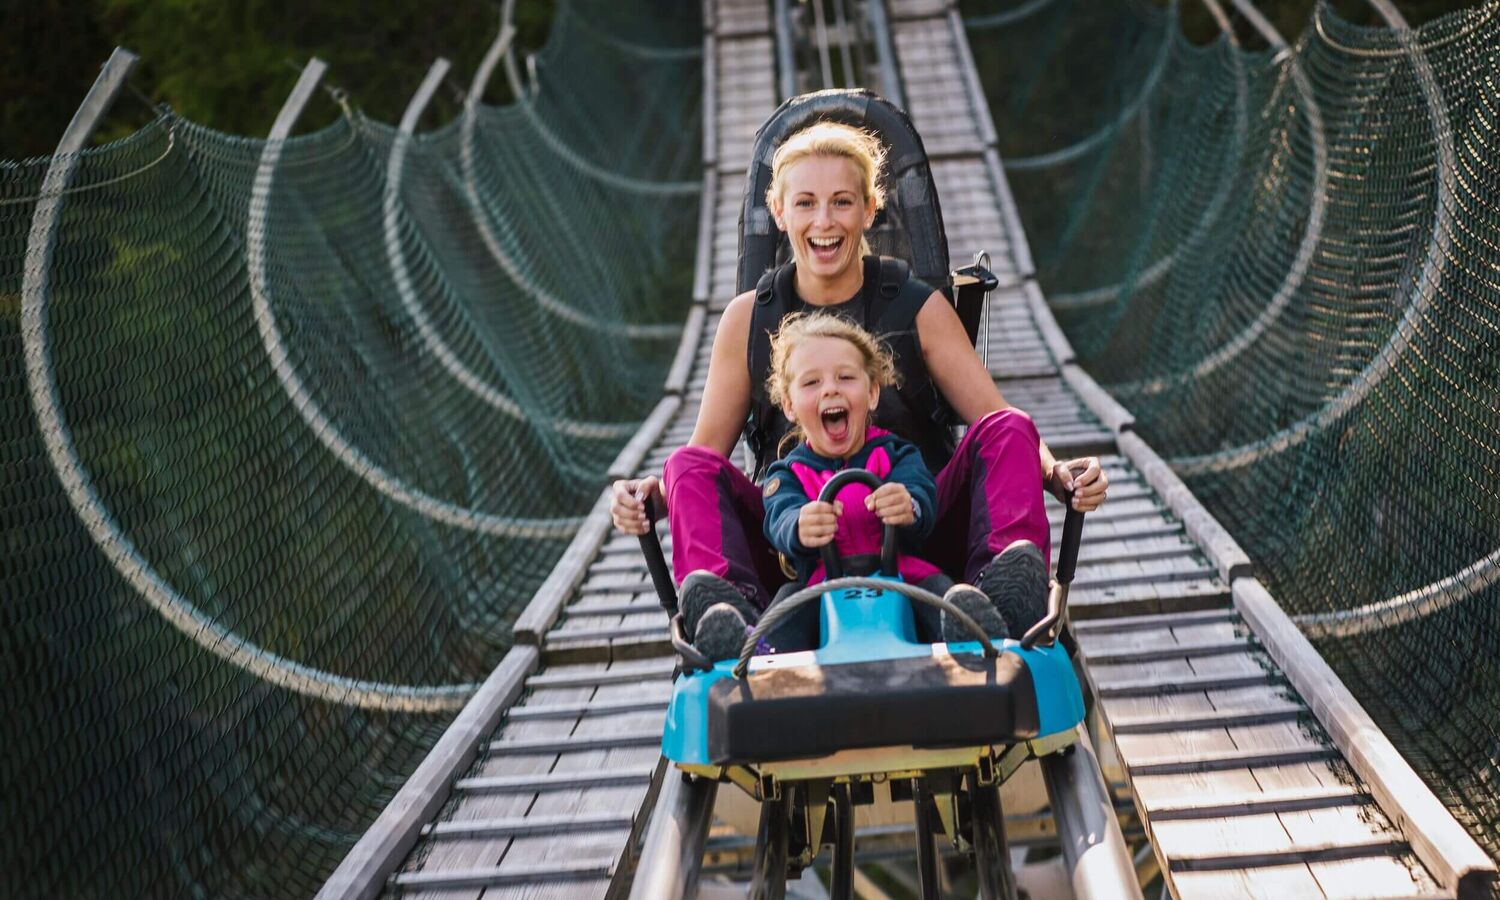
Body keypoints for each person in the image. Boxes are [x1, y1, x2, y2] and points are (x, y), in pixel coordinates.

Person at [611, 119, 1108, 658]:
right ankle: (731, 621)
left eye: (842, 202)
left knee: (1010, 426)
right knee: (684, 463)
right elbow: (704, 459)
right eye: (805, 203)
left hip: (916, 530)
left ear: (870, 209)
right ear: (779, 211)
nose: (823, 221)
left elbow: (996, 420)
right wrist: (653, 496)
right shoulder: (746, 320)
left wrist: (1057, 474)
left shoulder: (918, 306)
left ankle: (999, 601)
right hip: (796, 545)